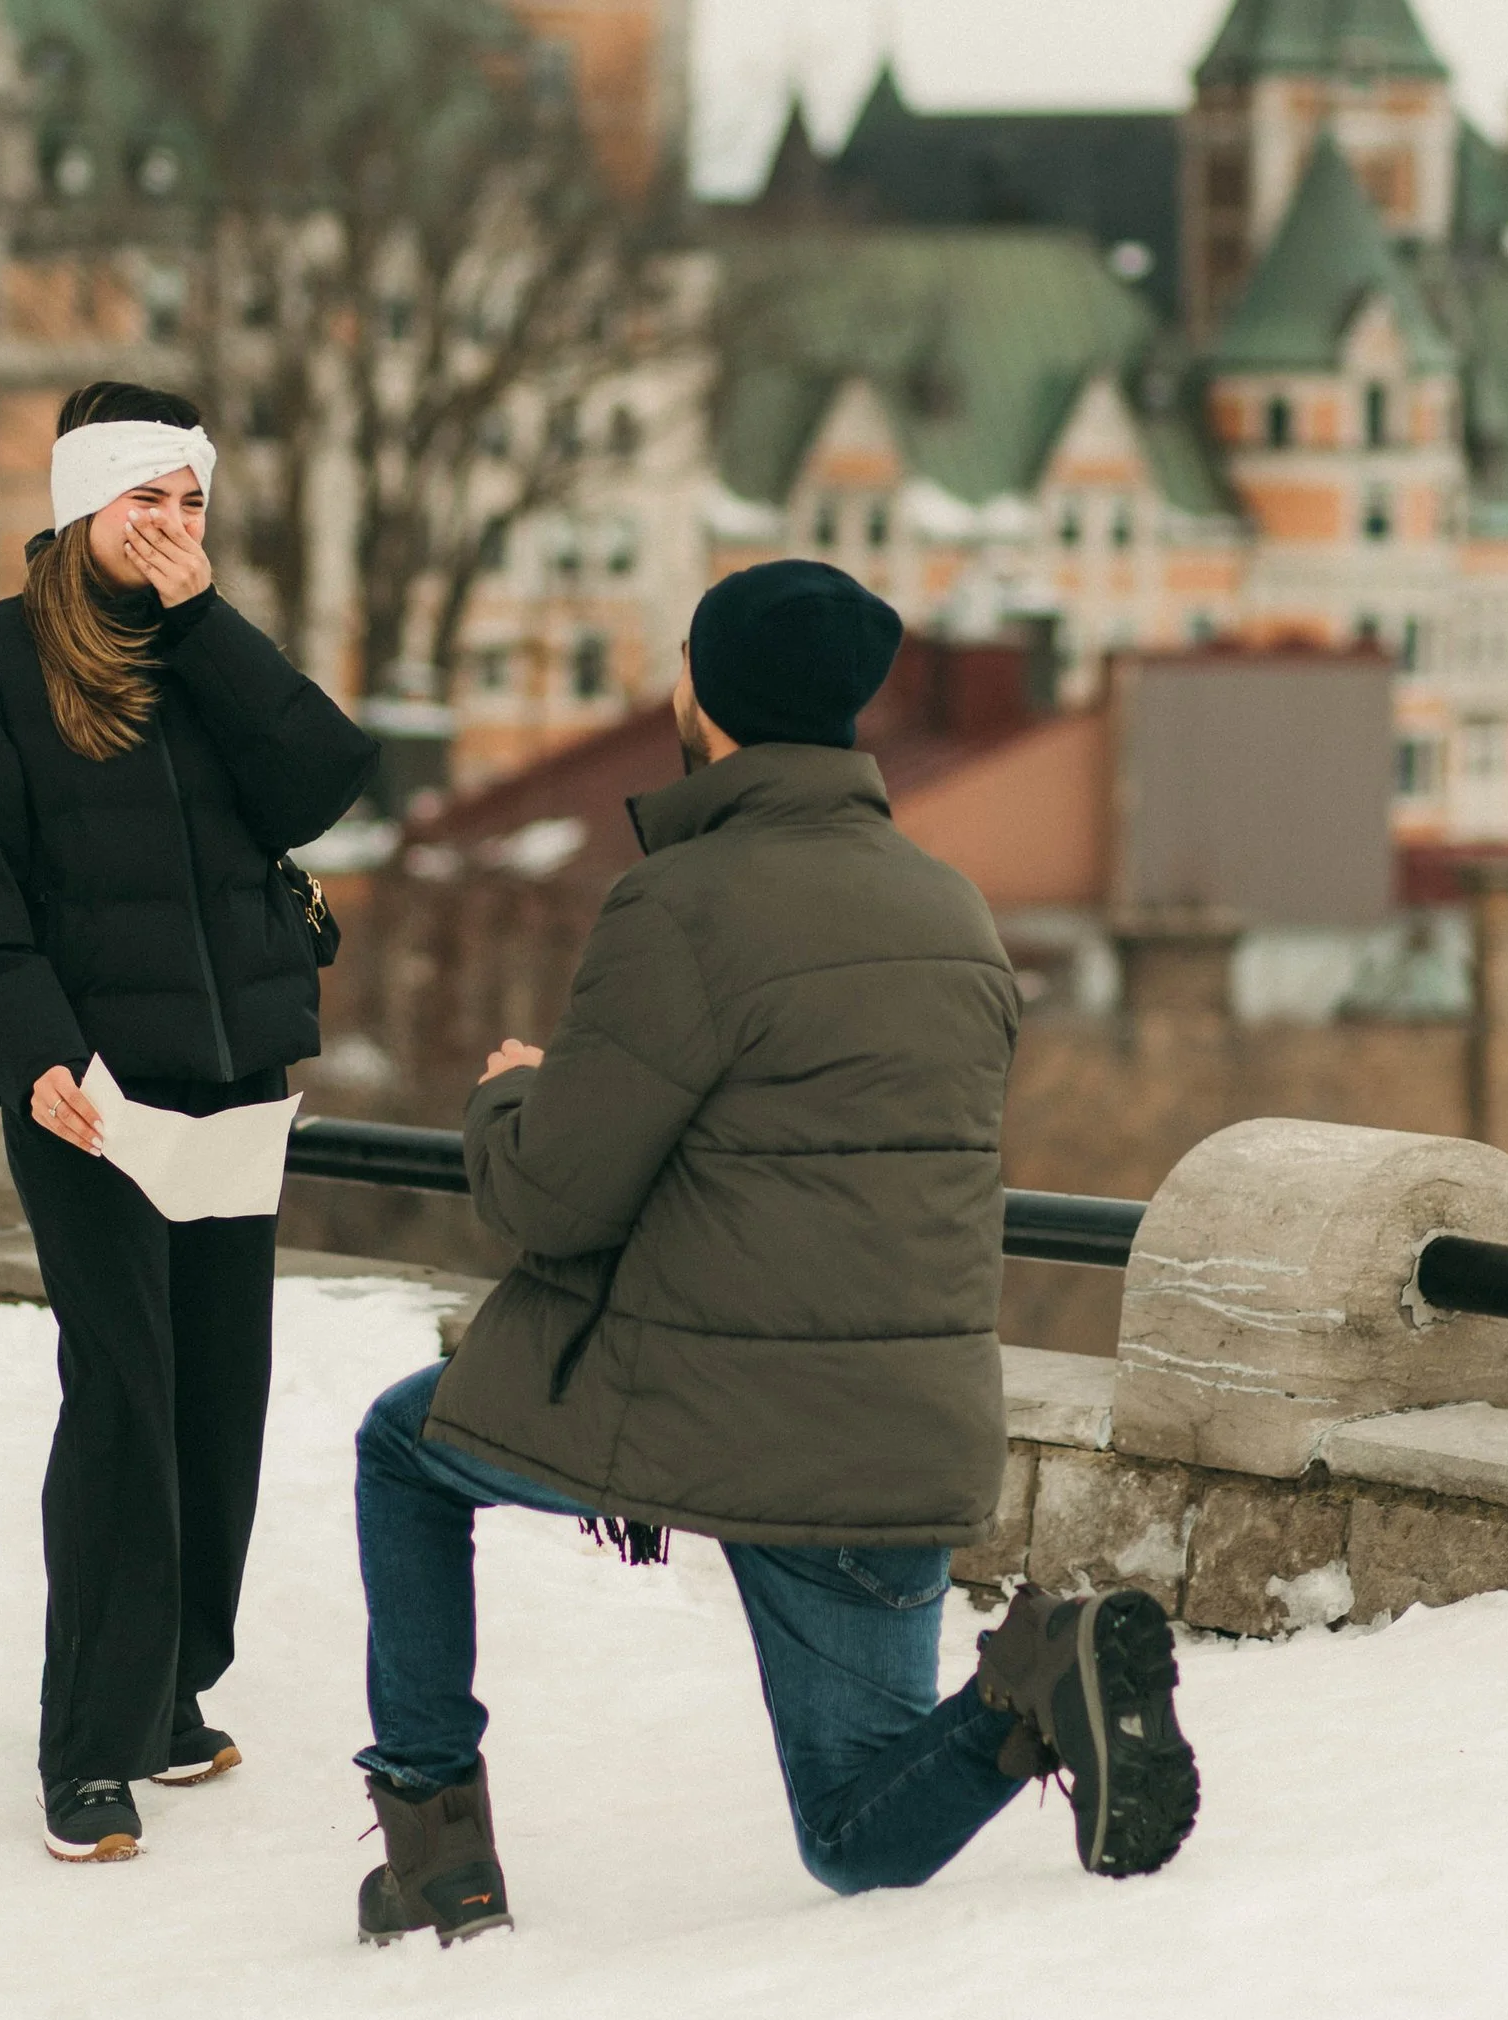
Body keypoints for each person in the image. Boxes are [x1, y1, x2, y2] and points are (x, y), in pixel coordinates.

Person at [349, 558, 1200, 1945]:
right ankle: (1027, 1684)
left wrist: (512, 1090)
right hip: (904, 1433)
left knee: (406, 1449)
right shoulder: (954, 912)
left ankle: (440, 1849)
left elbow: (553, 1199)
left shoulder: (679, 907)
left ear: (706, 696)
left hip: (718, 1412)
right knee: (857, 1833)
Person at [0, 381, 375, 1862]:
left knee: (220, 1390)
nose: (170, 528)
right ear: (78, 505)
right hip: (90, 1095)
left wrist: (214, 622)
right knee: (124, 1394)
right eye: (142, 500)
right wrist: (28, 1046)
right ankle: (88, 1745)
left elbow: (323, 780)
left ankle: (172, 1692)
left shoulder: (203, 658)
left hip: (231, 1083)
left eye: (190, 501)